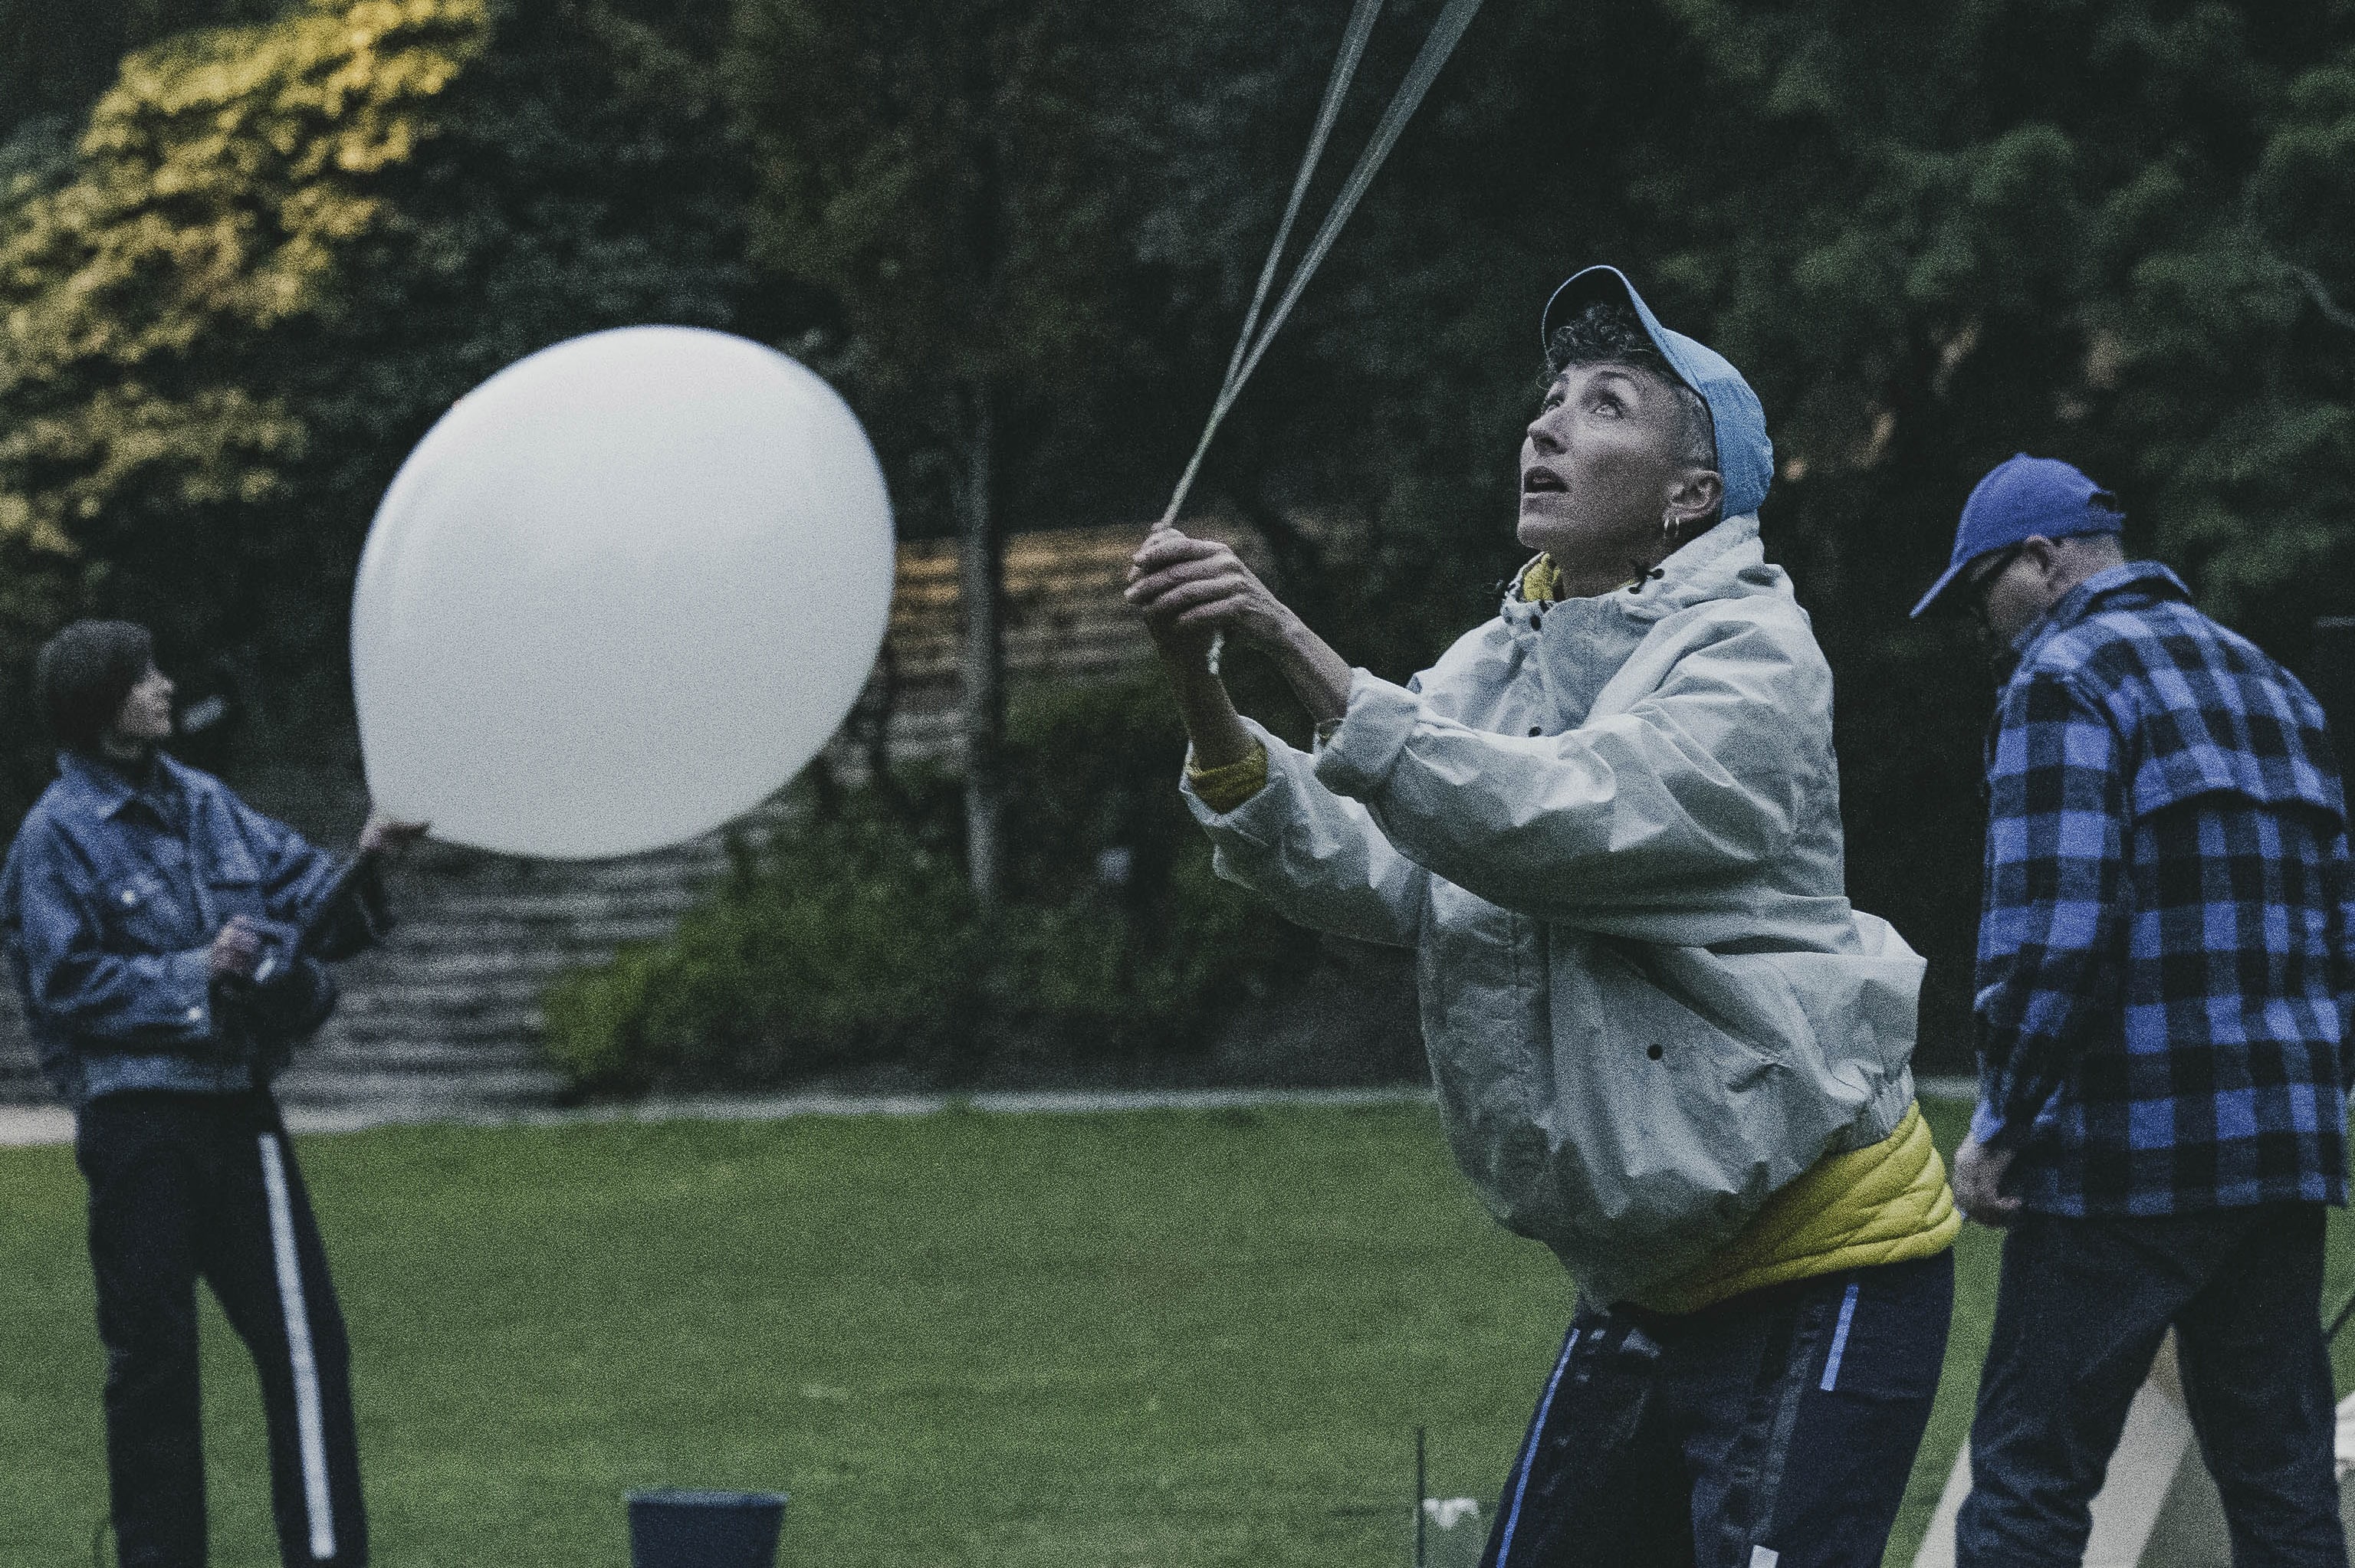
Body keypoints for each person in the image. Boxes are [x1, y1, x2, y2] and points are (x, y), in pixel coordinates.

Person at [1128, 266, 1958, 1567]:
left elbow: (1556, 821)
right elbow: (1378, 869)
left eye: (1604, 404)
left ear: (1692, 493)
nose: (1547, 425)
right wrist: (1204, 690)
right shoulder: (1496, 655)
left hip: (1820, 1259)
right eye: (1549, 399)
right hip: (1642, 1277)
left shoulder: (1753, 656)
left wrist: (1297, 647)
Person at [1910, 455, 2353, 1566]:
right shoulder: (2277, 687)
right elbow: (2342, 928)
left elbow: (2051, 934)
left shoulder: (2064, 678)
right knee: (2285, 1486)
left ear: (2046, 558)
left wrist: (2002, 1124)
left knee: (2029, 1482)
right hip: (2281, 1153)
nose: (1987, 625)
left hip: (2125, 1150)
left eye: (1985, 592)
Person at [1, 620, 426, 1568]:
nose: (166, 685)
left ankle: (326, 1555)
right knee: (153, 1366)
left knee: (306, 1352)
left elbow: (319, 908)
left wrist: (371, 855)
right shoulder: (54, 839)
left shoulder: (210, 805)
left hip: (242, 1119)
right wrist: (201, 971)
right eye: (144, 676)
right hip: (135, 1128)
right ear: (102, 704)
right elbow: (67, 986)